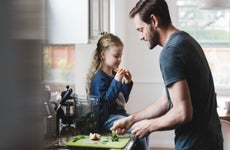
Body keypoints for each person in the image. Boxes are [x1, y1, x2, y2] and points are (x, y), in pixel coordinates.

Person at [111, 0, 224, 150]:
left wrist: (149, 125)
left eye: (140, 29)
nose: (141, 36)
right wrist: (131, 120)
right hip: (211, 141)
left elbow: (183, 113)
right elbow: (167, 101)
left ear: (154, 20)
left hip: (194, 145)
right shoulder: (186, 41)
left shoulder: (170, 52)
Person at [86, 33, 149, 149]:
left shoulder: (115, 74)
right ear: (103, 55)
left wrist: (127, 83)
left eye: (121, 56)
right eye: (116, 56)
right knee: (138, 127)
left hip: (120, 115)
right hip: (107, 118)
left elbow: (122, 100)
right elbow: (105, 102)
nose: (119, 59)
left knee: (144, 124)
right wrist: (116, 82)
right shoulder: (99, 78)